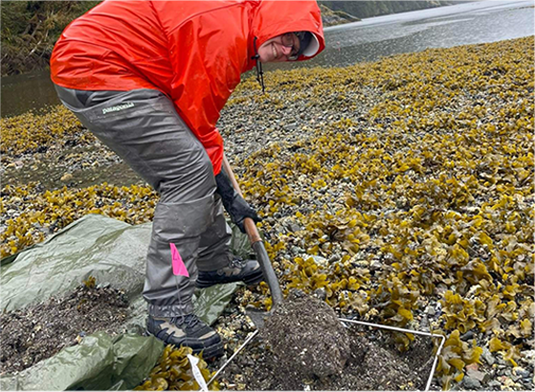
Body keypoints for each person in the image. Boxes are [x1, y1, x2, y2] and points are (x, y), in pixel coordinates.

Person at [50, 0, 325, 359]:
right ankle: (168, 308)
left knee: (197, 162)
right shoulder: (223, 34)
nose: (288, 49)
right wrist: (227, 193)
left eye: (297, 48)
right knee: (188, 174)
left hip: (129, 69)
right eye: (290, 35)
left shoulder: (239, 27)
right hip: (95, 69)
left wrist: (227, 191)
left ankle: (213, 263)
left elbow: (202, 128)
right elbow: (198, 125)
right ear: (274, 18)